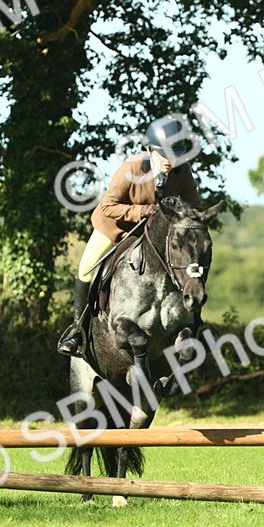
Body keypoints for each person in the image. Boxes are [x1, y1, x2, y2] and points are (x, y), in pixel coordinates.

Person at [56, 118, 202, 357]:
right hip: (116, 228)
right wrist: (142, 211)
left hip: (154, 236)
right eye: (164, 155)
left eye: (175, 155)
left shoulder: (182, 171)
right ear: (149, 149)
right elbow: (108, 206)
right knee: (86, 268)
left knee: (189, 266)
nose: (170, 161)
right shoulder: (132, 168)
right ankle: (76, 330)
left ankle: (195, 324)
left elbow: (194, 208)